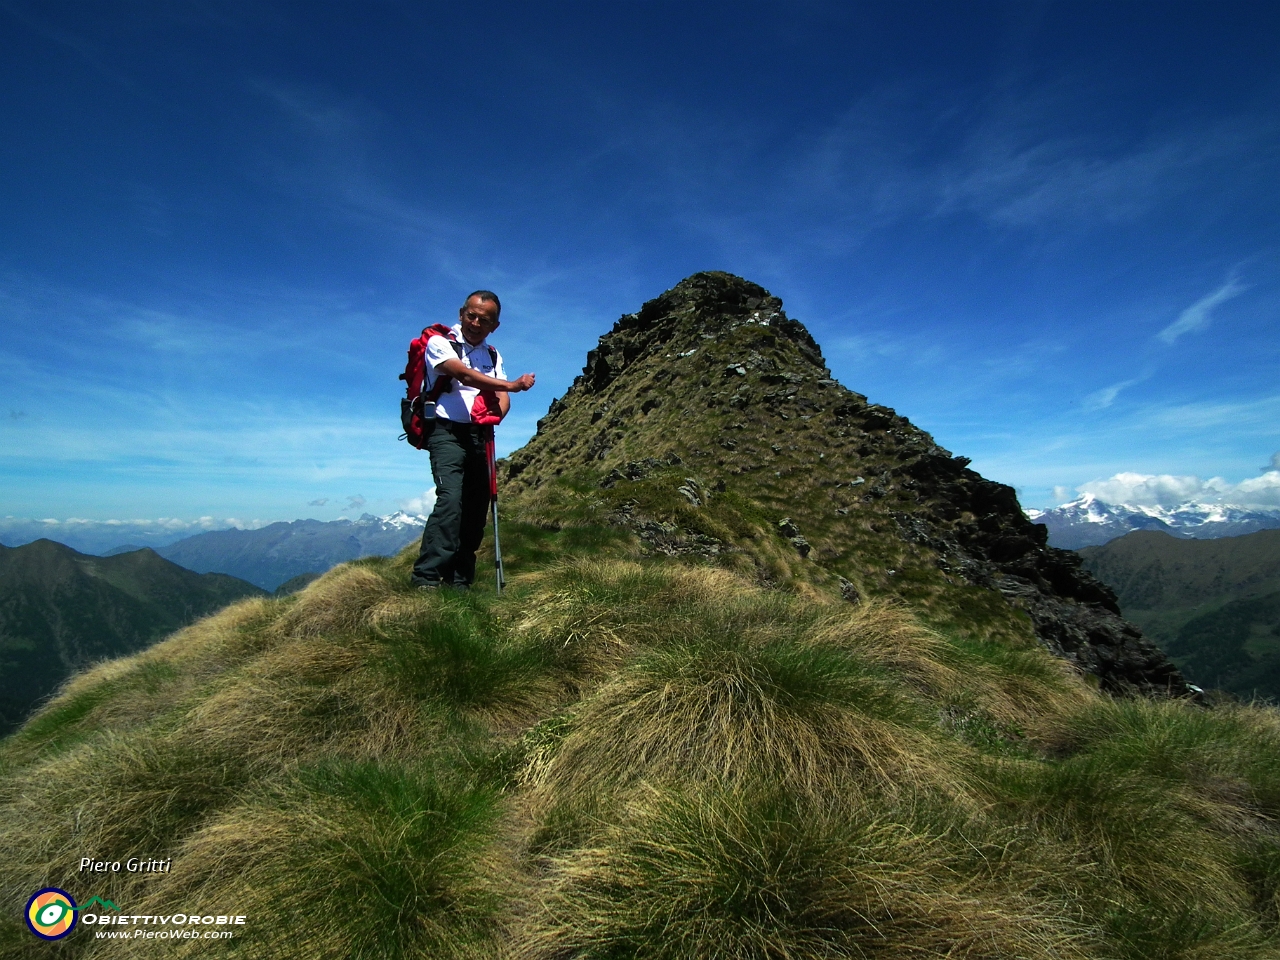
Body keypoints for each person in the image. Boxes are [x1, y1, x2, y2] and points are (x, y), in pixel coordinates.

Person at [411, 291, 536, 590]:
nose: (476, 322)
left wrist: (496, 414)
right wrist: (513, 385)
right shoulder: (440, 343)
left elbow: (501, 399)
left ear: (495, 325)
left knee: (477, 506)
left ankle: (460, 581)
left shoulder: (493, 354)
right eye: (472, 315)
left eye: (485, 319)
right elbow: (464, 375)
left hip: (479, 435)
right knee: (451, 500)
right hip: (445, 432)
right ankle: (426, 578)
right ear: (461, 313)